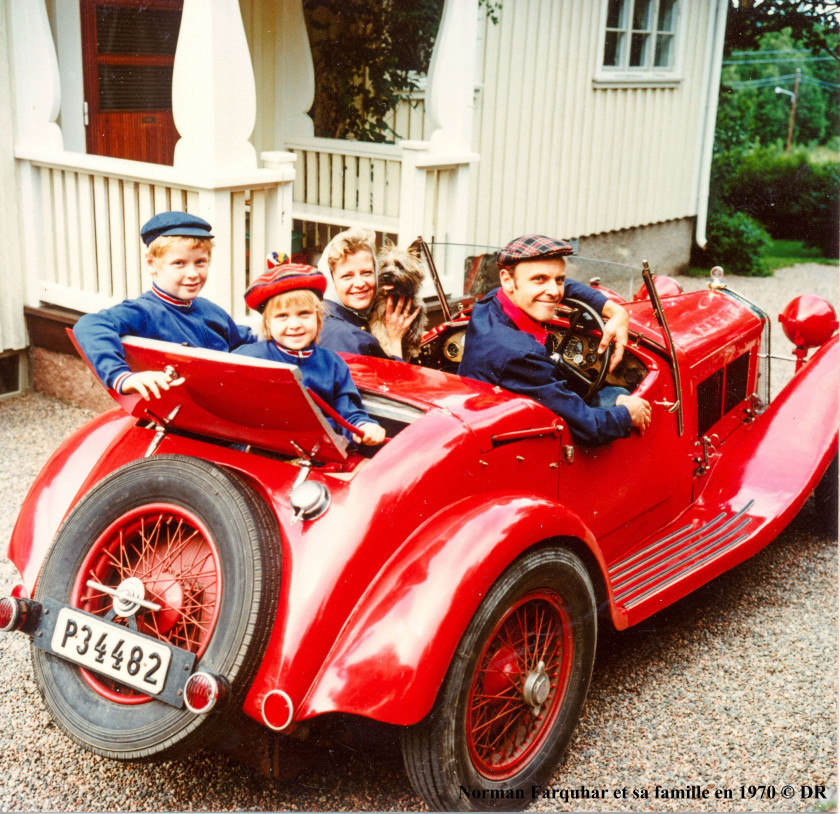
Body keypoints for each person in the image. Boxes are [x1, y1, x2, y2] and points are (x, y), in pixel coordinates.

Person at [458, 234, 651, 446]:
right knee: (622, 396)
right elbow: (589, 428)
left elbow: (557, 285)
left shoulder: (489, 304)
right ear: (507, 279)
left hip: (486, 410)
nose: (554, 291)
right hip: (517, 444)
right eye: (539, 279)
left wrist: (615, 310)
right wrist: (627, 414)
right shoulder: (520, 356)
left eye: (558, 279)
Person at [73, 211, 254, 400]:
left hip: (226, 398)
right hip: (185, 405)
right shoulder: (145, 311)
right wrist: (122, 376)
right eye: (179, 263)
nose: (192, 273)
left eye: (200, 262)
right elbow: (90, 325)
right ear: (152, 264)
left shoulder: (211, 310)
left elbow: (241, 341)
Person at [234, 261, 385, 446]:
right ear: (267, 324)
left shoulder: (333, 364)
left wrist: (364, 426)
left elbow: (348, 412)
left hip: (321, 455)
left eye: (304, 313)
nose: (295, 324)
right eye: (282, 316)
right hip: (263, 454)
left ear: (319, 318)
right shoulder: (248, 359)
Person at [317, 228, 418, 359]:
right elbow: (395, 379)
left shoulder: (333, 315)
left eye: (367, 273)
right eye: (347, 276)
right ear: (330, 280)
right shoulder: (346, 337)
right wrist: (394, 340)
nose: (359, 284)